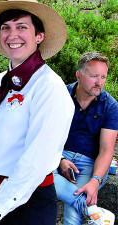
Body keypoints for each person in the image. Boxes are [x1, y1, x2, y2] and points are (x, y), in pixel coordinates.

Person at [0, 1, 75, 225]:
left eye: (21, 26)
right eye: (6, 27)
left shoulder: (48, 87)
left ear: (39, 36)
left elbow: (36, 161)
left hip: (25, 204)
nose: (12, 34)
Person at [53, 52, 118, 225]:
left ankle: (83, 207)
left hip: (89, 163)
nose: (100, 82)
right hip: (57, 155)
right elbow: (47, 136)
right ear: (79, 75)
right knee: (37, 175)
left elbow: (106, 150)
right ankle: (91, 210)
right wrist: (60, 159)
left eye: (103, 76)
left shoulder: (110, 106)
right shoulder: (60, 95)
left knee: (72, 215)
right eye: (94, 76)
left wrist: (95, 181)